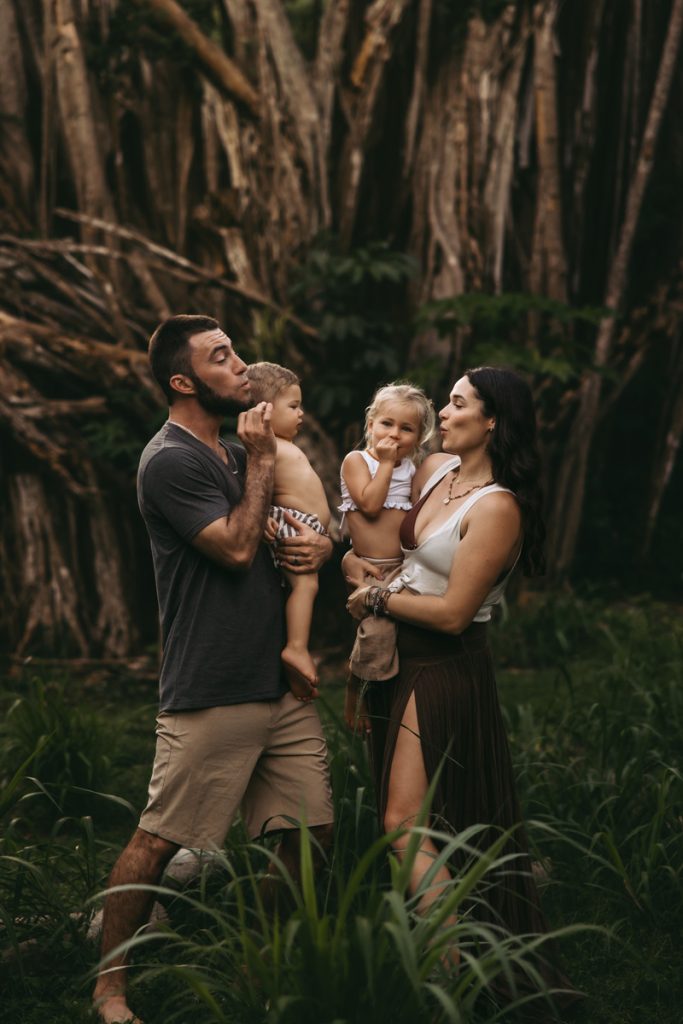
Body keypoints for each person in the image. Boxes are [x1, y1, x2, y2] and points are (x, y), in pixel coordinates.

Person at [93, 315, 334, 1024]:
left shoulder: (234, 453)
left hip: (278, 681)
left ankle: (261, 964)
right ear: (183, 380)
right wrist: (259, 459)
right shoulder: (171, 460)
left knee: (307, 838)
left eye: (233, 353)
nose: (241, 369)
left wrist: (318, 549)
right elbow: (232, 548)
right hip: (212, 685)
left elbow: (286, 531)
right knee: (158, 839)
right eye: (222, 359)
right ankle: (110, 991)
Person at [345, 367, 573, 1009]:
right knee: (423, 824)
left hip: (444, 665)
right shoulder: (437, 469)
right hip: (396, 656)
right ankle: (428, 965)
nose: (443, 412)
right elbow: (384, 537)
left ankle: (460, 980)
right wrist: (348, 562)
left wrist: (377, 596)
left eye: (457, 402)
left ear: (493, 419)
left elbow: (450, 611)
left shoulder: (497, 506)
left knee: (402, 824)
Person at [338, 383, 435, 731]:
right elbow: (370, 504)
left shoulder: (413, 469)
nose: (394, 434)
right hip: (373, 568)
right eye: (387, 424)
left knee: (400, 637)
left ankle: (388, 697)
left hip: (404, 566)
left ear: (420, 436)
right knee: (376, 632)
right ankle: (355, 683)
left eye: (406, 429)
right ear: (370, 425)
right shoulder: (357, 461)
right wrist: (386, 463)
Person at [245, 361, 331, 701]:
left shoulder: (278, 444)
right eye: (293, 406)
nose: (301, 414)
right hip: (290, 523)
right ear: (264, 410)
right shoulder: (265, 445)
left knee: (299, 588)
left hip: (300, 525)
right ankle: (296, 648)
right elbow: (249, 481)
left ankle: (290, 655)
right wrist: (261, 511)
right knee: (305, 585)